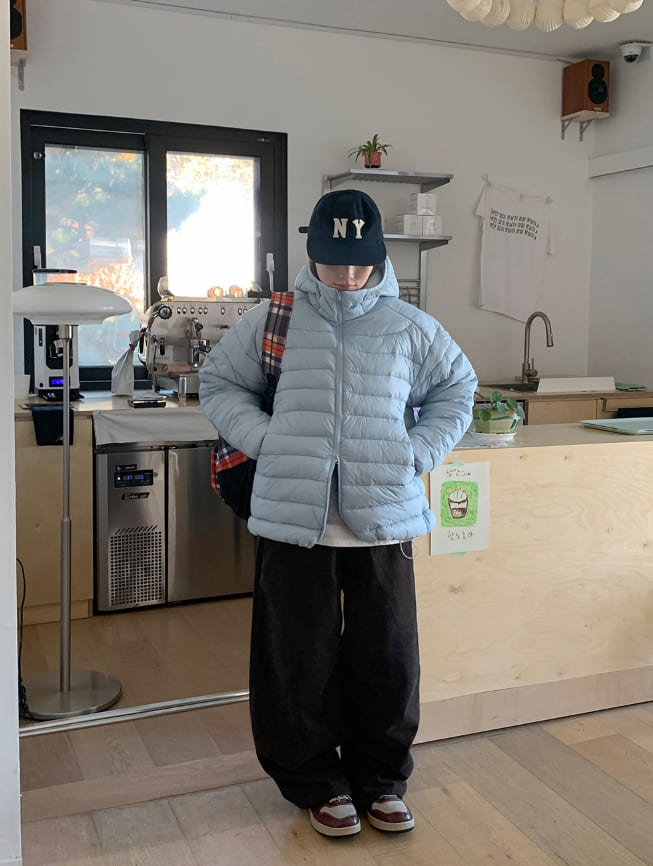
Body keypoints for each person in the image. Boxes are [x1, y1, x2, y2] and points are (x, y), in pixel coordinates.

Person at [199, 188, 477, 838]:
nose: (347, 275)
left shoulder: (409, 326)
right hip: (293, 518)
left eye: (359, 261)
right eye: (333, 260)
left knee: (388, 656)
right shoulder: (274, 320)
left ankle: (381, 778)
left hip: (384, 517)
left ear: (378, 255)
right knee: (296, 657)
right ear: (312, 254)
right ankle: (314, 781)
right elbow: (219, 382)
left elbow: (457, 389)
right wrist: (267, 440)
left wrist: (415, 453)